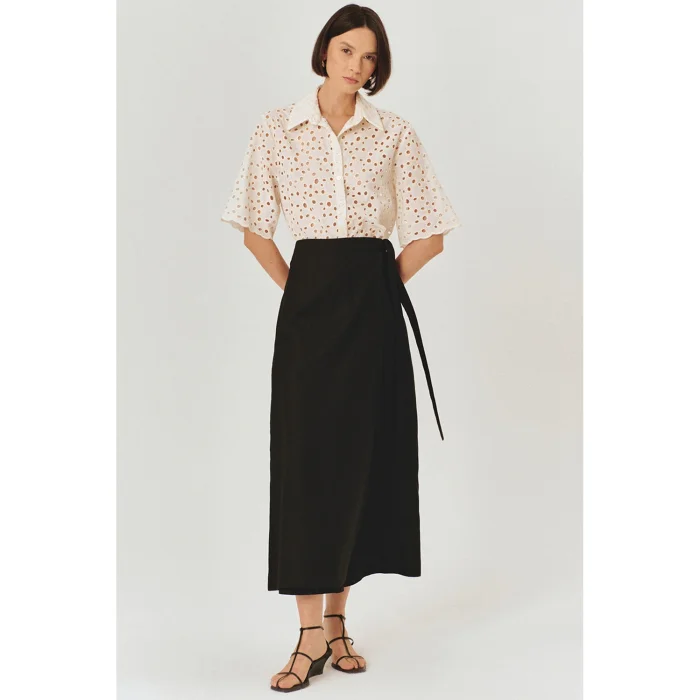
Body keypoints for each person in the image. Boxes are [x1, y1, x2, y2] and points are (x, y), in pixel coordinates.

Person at [220, 4, 461, 692]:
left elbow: (431, 233)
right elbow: (254, 228)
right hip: (309, 311)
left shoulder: (394, 133)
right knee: (307, 465)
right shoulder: (276, 128)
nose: (358, 65)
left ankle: (336, 623)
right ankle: (306, 636)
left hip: (373, 312)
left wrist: (376, 289)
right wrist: (304, 291)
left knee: (360, 463)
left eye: (370, 56)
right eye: (348, 49)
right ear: (324, 50)